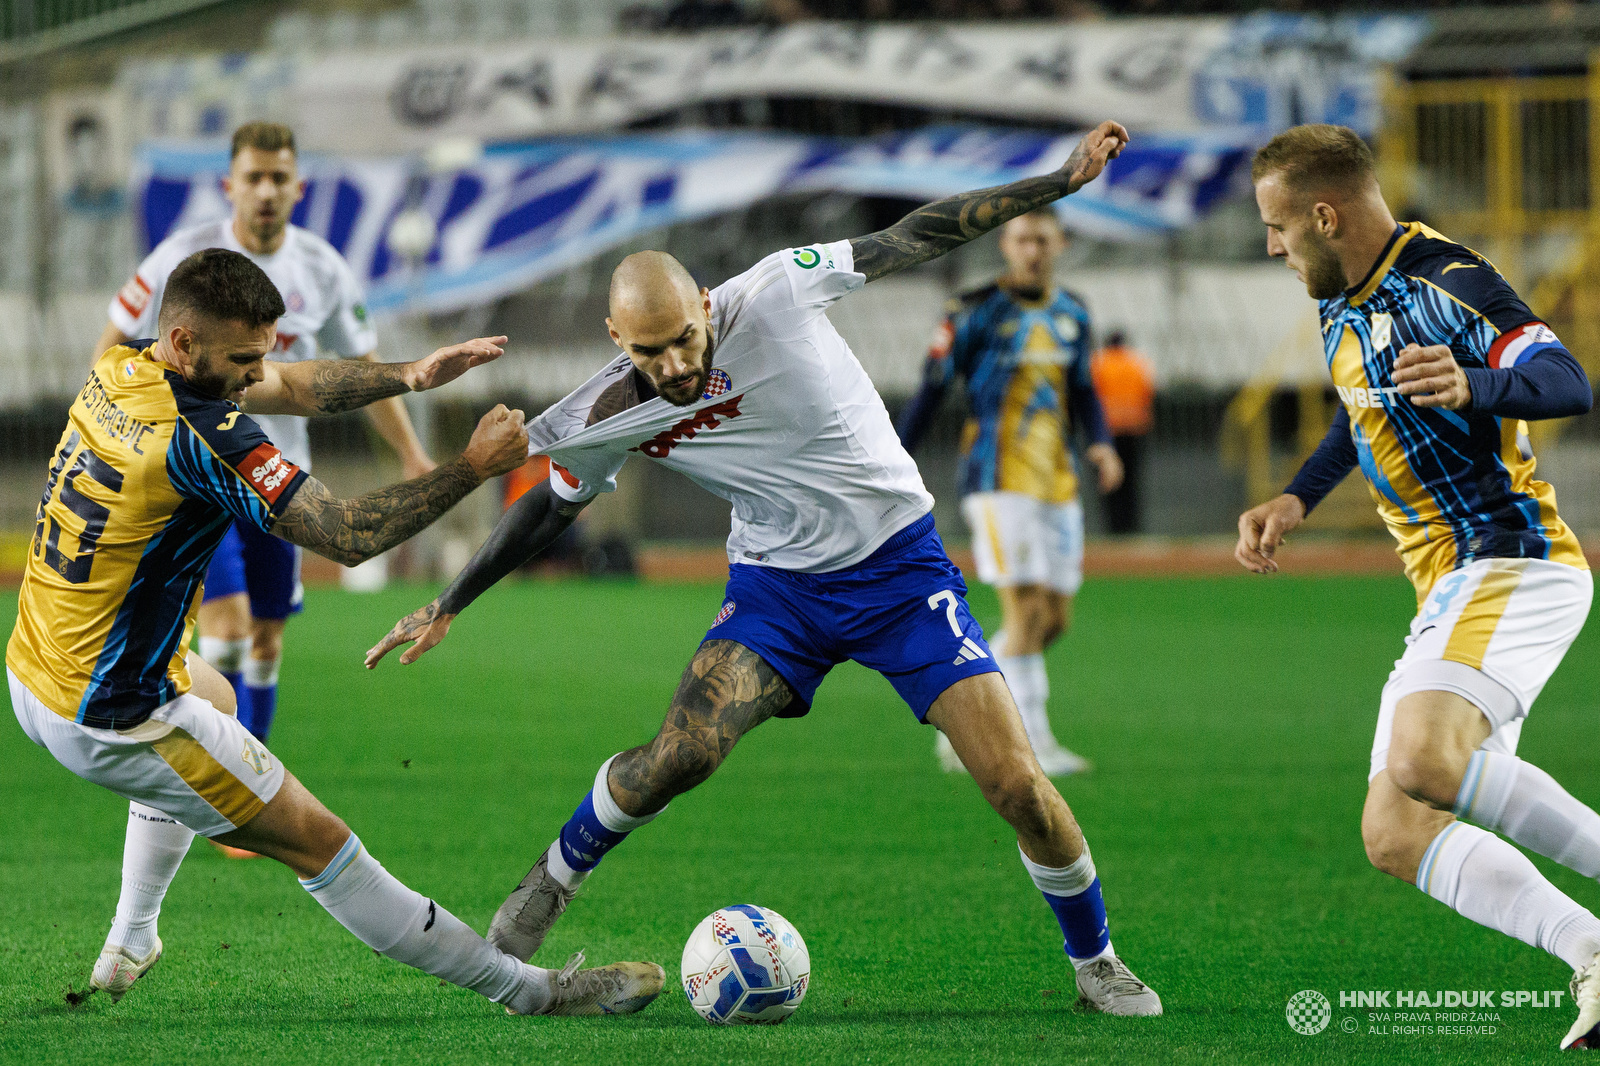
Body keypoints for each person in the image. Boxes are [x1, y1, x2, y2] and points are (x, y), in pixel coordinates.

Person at [369, 121, 1162, 1017]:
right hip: (777, 590)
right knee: (679, 756)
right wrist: (450, 601)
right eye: (646, 351)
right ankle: (550, 882)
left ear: (705, 305)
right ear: (614, 339)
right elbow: (551, 505)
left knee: (1016, 783)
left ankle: (1095, 959)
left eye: (681, 338)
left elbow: (917, 232)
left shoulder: (778, 290)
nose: (673, 365)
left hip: (901, 570)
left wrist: (1055, 182)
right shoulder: (599, 412)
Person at [10, 248, 661, 1015]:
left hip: (30, 672)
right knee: (322, 843)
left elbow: (289, 381)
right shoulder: (205, 436)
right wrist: (472, 467)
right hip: (113, 717)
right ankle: (527, 991)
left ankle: (131, 938)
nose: (258, 375)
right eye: (242, 359)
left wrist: (409, 374)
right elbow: (348, 534)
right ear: (185, 344)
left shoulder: (120, 368)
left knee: (213, 693)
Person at [1235, 124, 1600, 1050]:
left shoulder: (1447, 280)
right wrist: (1296, 496)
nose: (1272, 249)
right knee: (1397, 830)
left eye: (1279, 228)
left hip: (1511, 558)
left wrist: (1476, 384)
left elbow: (1565, 381)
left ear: (1325, 215)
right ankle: (1590, 949)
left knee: (1426, 762)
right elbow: (1360, 417)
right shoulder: (1338, 295)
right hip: (1447, 585)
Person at [95, 122, 436, 748]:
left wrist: (413, 453)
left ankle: (251, 769)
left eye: (279, 178)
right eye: (254, 177)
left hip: (278, 477)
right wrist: (103, 420)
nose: (266, 191)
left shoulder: (323, 268)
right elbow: (117, 332)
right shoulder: (184, 259)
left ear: (298, 187)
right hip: (199, 474)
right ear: (229, 186)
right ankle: (220, 781)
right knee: (224, 625)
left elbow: (358, 369)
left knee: (266, 637)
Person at [896, 209, 1122, 777]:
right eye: (1022, 239)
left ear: (1061, 243)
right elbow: (931, 388)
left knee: (1053, 620)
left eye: (1042, 239)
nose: (1033, 250)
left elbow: (1086, 389)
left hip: (1057, 479)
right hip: (996, 478)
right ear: (1006, 244)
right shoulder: (973, 310)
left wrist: (1101, 443)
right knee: (1023, 613)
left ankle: (962, 715)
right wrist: (895, 459)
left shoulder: (1072, 311)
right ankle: (1035, 744)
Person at [1090, 330, 1155, 535]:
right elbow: (1146, 393)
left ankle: (1113, 526)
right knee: (1131, 480)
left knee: (1108, 481)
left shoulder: (1099, 364)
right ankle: (1131, 525)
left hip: (1108, 430)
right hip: (1134, 428)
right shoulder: (1136, 363)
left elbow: (1091, 396)